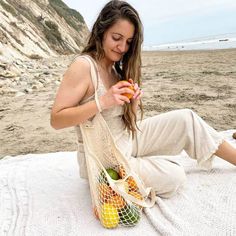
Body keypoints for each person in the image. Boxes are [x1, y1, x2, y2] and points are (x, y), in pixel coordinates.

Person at [50, 0, 236, 198]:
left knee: (186, 119)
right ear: (101, 32)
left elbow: (120, 120)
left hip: (126, 140)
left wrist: (133, 103)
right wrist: (102, 101)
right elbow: (56, 119)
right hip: (105, 159)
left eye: (129, 41)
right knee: (175, 176)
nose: (122, 47)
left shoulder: (114, 68)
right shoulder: (83, 66)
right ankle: (121, 180)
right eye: (117, 38)